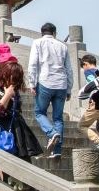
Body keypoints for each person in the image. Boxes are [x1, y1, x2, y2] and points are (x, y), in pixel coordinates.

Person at [0, 53, 41, 180]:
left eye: (17, 79)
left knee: (24, 164)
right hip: (2, 130)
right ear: (5, 75)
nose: (15, 82)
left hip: (18, 130)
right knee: (7, 164)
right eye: (13, 78)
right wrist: (7, 95)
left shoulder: (15, 91)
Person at [26, 22, 74, 158]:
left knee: (40, 112)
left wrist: (32, 83)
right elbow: (69, 70)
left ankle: (52, 134)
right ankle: (57, 151)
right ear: (54, 33)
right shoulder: (63, 46)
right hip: (61, 85)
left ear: (42, 33)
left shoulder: (37, 43)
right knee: (58, 118)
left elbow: (33, 64)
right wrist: (69, 88)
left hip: (45, 82)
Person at [77, 54, 99, 139]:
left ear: (86, 64)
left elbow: (94, 84)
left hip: (97, 103)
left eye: (83, 66)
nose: (83, 69)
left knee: (81, 126)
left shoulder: (88, 72)